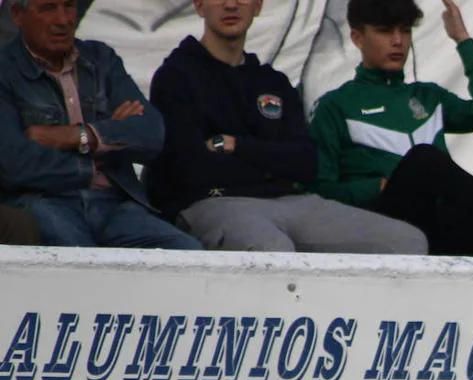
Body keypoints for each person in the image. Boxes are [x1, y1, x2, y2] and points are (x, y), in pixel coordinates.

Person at [145, 0, 427, 254]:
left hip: (292, 201)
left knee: (407, 242)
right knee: (272, 249)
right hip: (213, 204)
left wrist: (236, 146)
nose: (231, 5)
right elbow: (190, 168)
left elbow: (305, 163)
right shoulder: (175, 76)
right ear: (199, 5)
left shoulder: (273, 82)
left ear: (257, 5)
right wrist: (273, 163)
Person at [310, 0, 473, 257]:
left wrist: (463, 40)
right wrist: (376, 186)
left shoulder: (427, 96)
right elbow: (321, 190)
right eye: (385, 31)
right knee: (423, 159)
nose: (398, 41)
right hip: (381, 223)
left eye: (405, 30)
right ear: (357, 38)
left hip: (441, 221)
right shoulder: (335, 106)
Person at [0, 0, 200, 249]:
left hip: (115, 205)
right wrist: (101, 152)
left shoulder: (101, 59)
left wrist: (79, 136)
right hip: (46, 202)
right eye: (48, 8)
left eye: (69, 6)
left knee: (187, 252)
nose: (63, 19)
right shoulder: (5, 71)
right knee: (81, 268)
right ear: (18, 15)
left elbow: (152, 134)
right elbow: (13, 164)